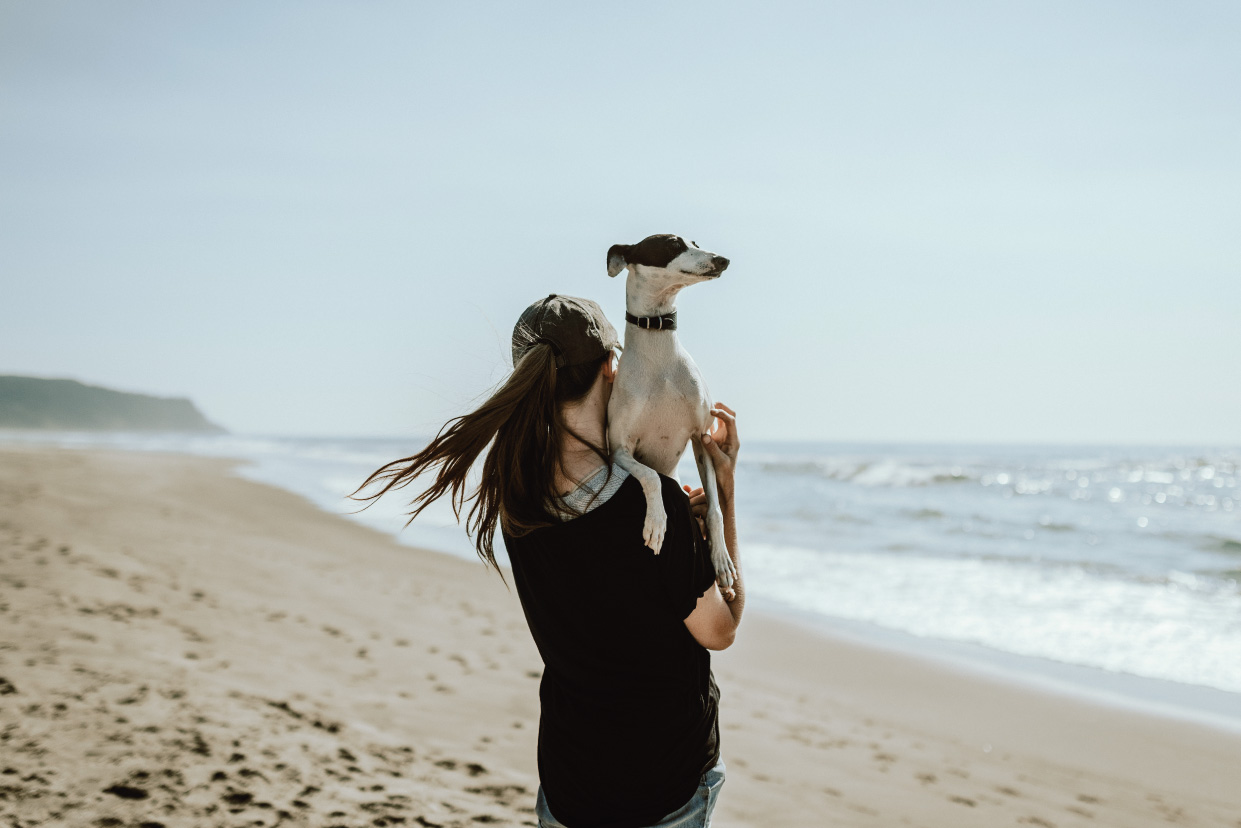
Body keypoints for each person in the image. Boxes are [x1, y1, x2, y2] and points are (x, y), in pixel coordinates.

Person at [353, 294, 744, 828]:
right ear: (612, 368)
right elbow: (720, 630)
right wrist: (723, 491)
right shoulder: (648, 504)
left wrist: (682, 534)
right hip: (663, 783)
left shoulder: (514, 491)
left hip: (571, 782)